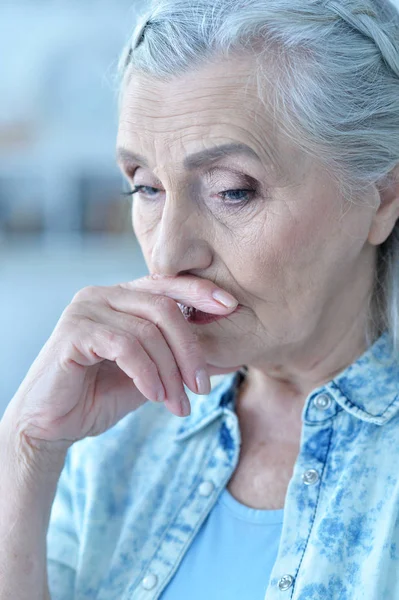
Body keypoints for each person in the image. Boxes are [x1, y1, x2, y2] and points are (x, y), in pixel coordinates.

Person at [1, 0, 399, 598]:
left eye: (232, 191)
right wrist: (25, 449)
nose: (165, 258)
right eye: (146, 187)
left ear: (383, 197)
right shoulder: (108, 442)